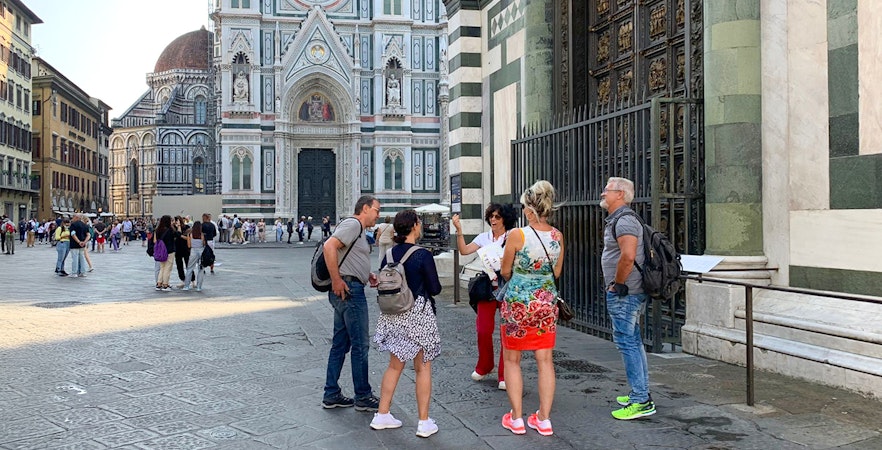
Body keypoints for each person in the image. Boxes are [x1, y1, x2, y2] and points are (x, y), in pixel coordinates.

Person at [498, 180, 564, 436]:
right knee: (545, 360)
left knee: (512, 360)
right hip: (546, 304)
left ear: (529, 210)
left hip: (518, 304)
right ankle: (544, 419)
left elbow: (505, 270)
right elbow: (556, 272)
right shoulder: (557, 236)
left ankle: (516, 418)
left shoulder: (518, 235)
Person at [369, 210, 442, 438]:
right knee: (423, 367)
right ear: (414, 226)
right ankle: (424, 422)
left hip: (393, 314)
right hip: (417, 314)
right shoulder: (422, 254)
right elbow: (435, 288)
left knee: (394, 365)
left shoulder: (389, 254)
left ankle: (382, 414)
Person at [601, 176, 655, 420]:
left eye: (607, 190)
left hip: (626, 292)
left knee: (627, 342)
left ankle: (640, 400)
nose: (603, 194)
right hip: (629, 291)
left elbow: (628, 256)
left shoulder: (624, 221)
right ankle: (641, 392)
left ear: (620, 194)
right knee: (633, 340)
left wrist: (618, 285)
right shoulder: (621, 219)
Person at [322, 195, 381, 412]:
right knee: (360, 345)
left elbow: (348, 256)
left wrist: (367, 274)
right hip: (349, 291)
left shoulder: (358, 229)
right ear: (365, 208)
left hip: (348, 287)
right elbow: (329, 246)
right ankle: (363, 395)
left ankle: (331, 394)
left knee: (340, 344)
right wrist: (337, 280)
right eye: (376, 210)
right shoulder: (353, 224)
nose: (378, 215)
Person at [452, 203, 518, 390]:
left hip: (508, 286)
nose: (493, 220)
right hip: (488, 287)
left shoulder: (513, 236)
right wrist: (459, 230)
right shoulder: (484, 237)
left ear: (505, 219)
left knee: (507, 331)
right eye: (491, 216)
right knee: (483, 329)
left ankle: (505, 374)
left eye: (497, 217)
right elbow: (464, 250)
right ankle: (485, 365)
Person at [154, 215, 181, 291]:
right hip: (169, 250)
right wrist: (178, 226)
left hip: (161, 251)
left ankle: (159, 284)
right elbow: (178, 235)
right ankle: (165, 285)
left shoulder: (158, 230)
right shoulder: (170, 230)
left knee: (162, 267)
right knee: (167, 268)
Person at [184, 220, 206, 292]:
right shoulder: (202, 234)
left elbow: (189, 245)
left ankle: (186, 286)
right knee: (201, 269)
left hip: (193, 251)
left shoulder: (190, 234)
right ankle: (199, 287)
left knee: (189, 268)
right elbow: (203, 244)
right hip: (201, 251)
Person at [174, 217, 191, 288]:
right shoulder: (173, 229)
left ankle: (192, 279)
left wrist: (180, 235)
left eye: (177, 221)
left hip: (185, 248)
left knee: (188, 265)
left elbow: (188, 238)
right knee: (179, 266)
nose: (176, 223)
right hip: (177, 249)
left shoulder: (187, 227)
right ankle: (182, 280)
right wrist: (178, 228)